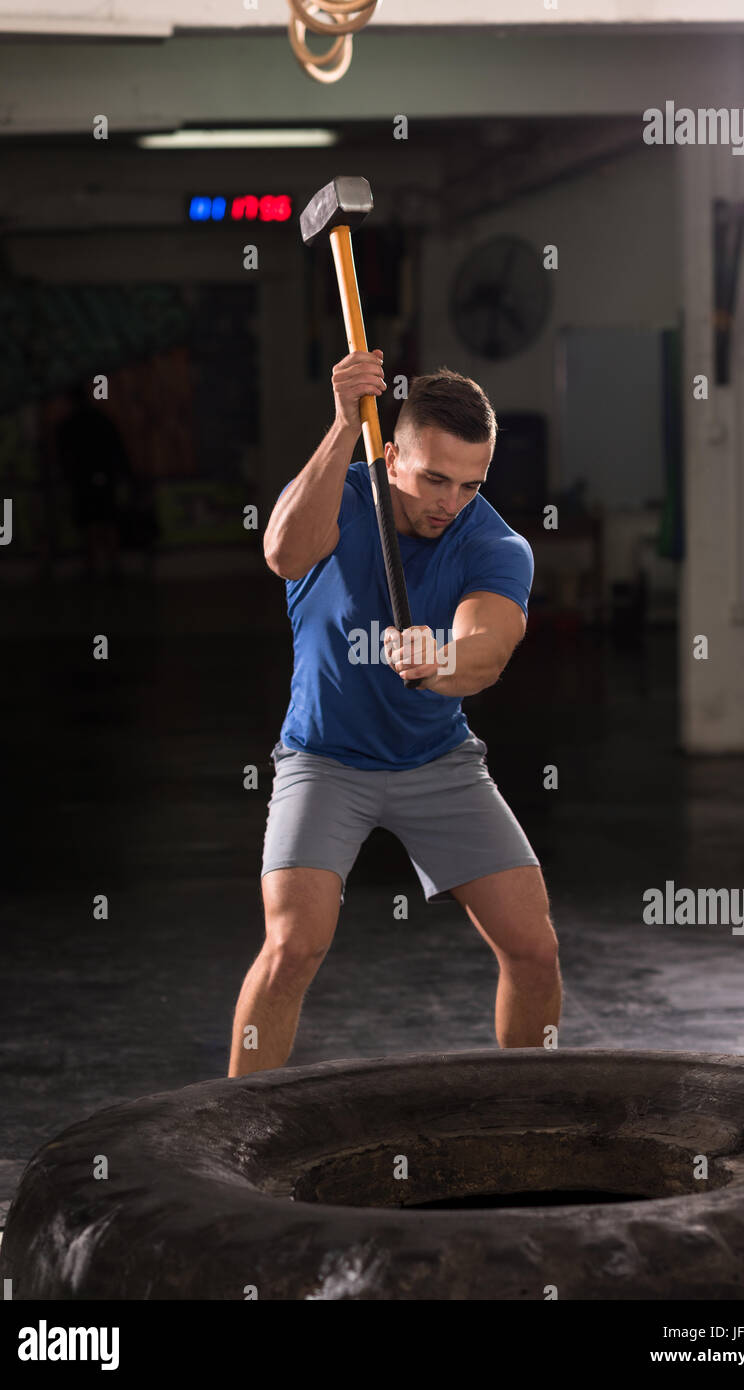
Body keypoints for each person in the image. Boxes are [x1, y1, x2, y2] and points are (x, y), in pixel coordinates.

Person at [228, 349, 561, 1075]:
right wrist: (344, 420)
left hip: (436, 761)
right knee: (292, 947)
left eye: (470, 484)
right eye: (434, 478)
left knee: (533, 949)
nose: (450, 501)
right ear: (389, 455)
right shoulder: (339, 497)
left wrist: (442, 660)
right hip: (324, 759)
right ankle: (233, 1133)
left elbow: (490, 647)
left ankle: (534, 1116)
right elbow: (284, 556)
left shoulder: (492, 541)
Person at [56, 385, 134, 580]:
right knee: (108, 521)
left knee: (88, 523)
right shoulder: (102, 419)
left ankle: (92, 567)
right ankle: (114, 565)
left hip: (82, 479)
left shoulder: (68, 424)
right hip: (105, 477)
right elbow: (118, 449)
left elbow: (64, 455)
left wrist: (68, 476)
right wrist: (124, 474)